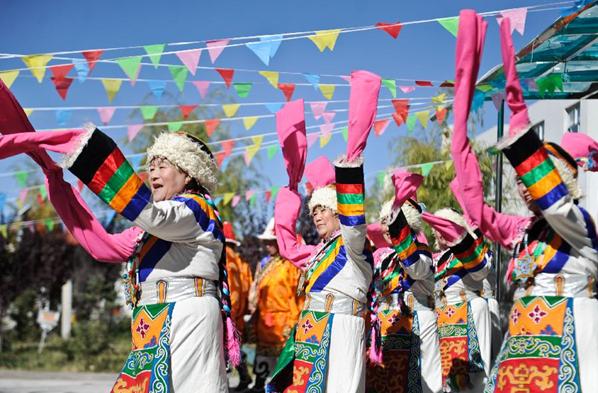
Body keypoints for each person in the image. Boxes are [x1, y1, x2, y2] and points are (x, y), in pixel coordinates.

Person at [0, 83, 238, 392]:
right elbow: (107, 247)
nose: (152, 173)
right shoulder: (151, 228)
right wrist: (59, 186)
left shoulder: (195, 211)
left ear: (188, 174)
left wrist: (90, 151)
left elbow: (154, 215)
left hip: (187, 315)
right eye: (150, 166)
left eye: (163, 166)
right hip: (153, 319)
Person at [267, 70, 381, 392]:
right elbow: (288, 248)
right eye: (313, 210)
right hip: (312, 329)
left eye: (323, 209)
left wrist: (350, 162)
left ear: (338, 210)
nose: (316, 216)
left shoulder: (353, 243)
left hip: (343, 326)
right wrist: (291, 189)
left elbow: (354, 221)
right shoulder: (318, 253)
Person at [366, 170, 442, 393]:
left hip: (416, 325)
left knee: (419, 384)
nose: (387, 230)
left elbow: (414, 267)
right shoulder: (382, 256)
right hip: (385, 329)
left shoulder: (421, 253)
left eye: (393, 224)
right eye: (385, 223)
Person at [422, 209, 492, 393]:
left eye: (446, 226)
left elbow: (482, 269)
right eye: (438, 227)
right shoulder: (435, 260)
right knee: (444, 374)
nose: (441, 231)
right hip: (441, 318)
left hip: (468, 313)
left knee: (475, 373)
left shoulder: (470, 250)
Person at [246, 218, 303, 392]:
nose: (268, 245)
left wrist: (294, 324)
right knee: (263, 376)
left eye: (272, 241)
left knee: (282, 375)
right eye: (267, 242)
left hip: (284, 328)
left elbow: (298, 297)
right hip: (265, 326)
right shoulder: (267, 264)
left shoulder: (292, 265)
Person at [224, 221, 254, 392]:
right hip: (239, 312)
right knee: (237, 346)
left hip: (229, 310)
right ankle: (244, 377)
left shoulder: (225, 256)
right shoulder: (241, 261)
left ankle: (227, 381)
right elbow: (246, 287)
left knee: (226, 347)